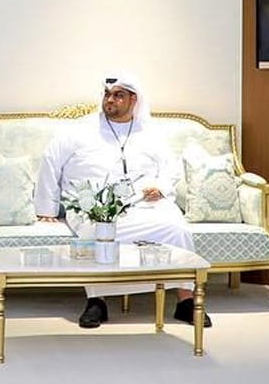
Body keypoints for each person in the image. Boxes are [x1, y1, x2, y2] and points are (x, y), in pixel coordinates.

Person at [36, 75, 205, 329]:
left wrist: (161, 187)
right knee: (98, 233)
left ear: (133, 100)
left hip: (144, 203)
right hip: (93, 205)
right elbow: (50, 161)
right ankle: (97, 301)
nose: (110, 100)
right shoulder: (79, 130)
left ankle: (186, 301)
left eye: (118, 95)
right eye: (107, 94)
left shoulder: (149, 133)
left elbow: (170, 169)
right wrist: (46, 208)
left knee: (176, 229)